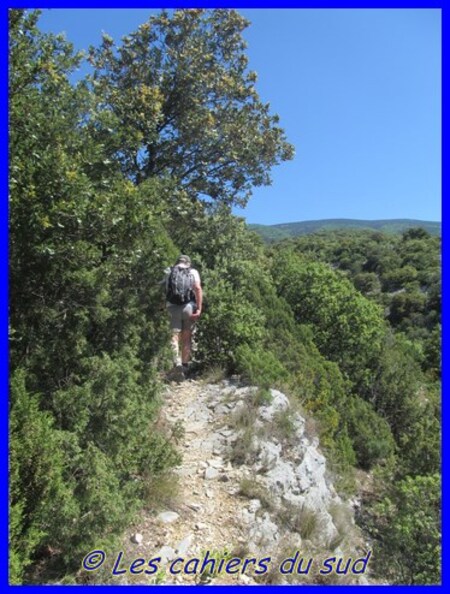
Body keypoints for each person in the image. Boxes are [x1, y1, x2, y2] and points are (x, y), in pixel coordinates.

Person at [165, 255, 202, 379]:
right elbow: (197, 288)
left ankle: (176, 364)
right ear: (188, 263)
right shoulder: (193, 272)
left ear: (177, 262)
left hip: (172, 307)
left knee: (174, 337)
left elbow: (162, 289)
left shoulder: (169, 271)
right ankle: (185, 367)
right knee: (186, 338)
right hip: (188, 308)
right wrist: (199, 308)